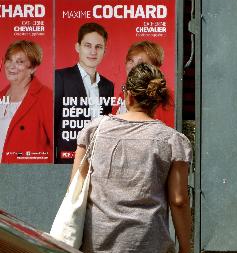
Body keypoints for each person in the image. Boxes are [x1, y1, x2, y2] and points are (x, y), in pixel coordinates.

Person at [70, 63, 191, 253]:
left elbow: (76, 186)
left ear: (127, 94)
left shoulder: (94, 130)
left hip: (97, 243)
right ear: (157, 99)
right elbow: (178, 200)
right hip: (142, 246)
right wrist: (184, 250)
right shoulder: (172, 141)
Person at [54, 22, 114, 163]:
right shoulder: (60, 78)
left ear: (104, 51)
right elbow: (53, 125)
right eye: (88, 45)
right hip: (67, 161)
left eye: (98, 47)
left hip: (98, 161)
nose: (93, 52)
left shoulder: (107, 86)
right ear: (78, 47)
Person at [0, 40, 53, 163]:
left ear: (33, 68)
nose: (11, 66)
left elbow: (58, 148)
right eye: (9, 59)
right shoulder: (1, 96)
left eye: (20, 62)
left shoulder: (46, 98)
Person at [113, 41, 173, 125]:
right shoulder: (120, 96)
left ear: (155, 68)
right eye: (131, 60)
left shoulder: (165, 98)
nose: (133, 67)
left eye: (141, 64)